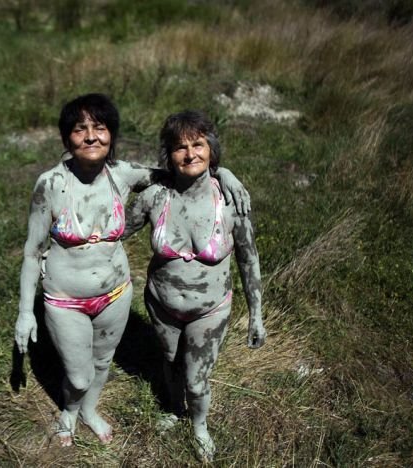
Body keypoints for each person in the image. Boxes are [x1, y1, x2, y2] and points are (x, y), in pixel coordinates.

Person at [14, 94, 250, 447]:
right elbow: (32, 253)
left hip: (115, 294)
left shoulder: (122, 174)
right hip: (65, 298)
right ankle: (70, 410)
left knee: (103, 362)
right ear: (67, 139)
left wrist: (224, 172)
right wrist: (24, 313)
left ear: (111, 135)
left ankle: (90, 411)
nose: (91, 137)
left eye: (100, 128)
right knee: (78, 377)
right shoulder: (50, 184)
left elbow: (182, 168)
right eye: (80, 130)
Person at [123, 110, 266, 461]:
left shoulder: (232, 201)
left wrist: (256, 314)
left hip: (210, 310)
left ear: (211, 149)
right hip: (161, 305)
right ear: (168, 156)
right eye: (179, 147)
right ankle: (174, 409)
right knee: (170, 363)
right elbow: (117, 234)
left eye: (198, 144)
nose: (190, 154)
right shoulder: (154, 197)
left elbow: (249, 260)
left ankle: (199, 425)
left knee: (197, 380)